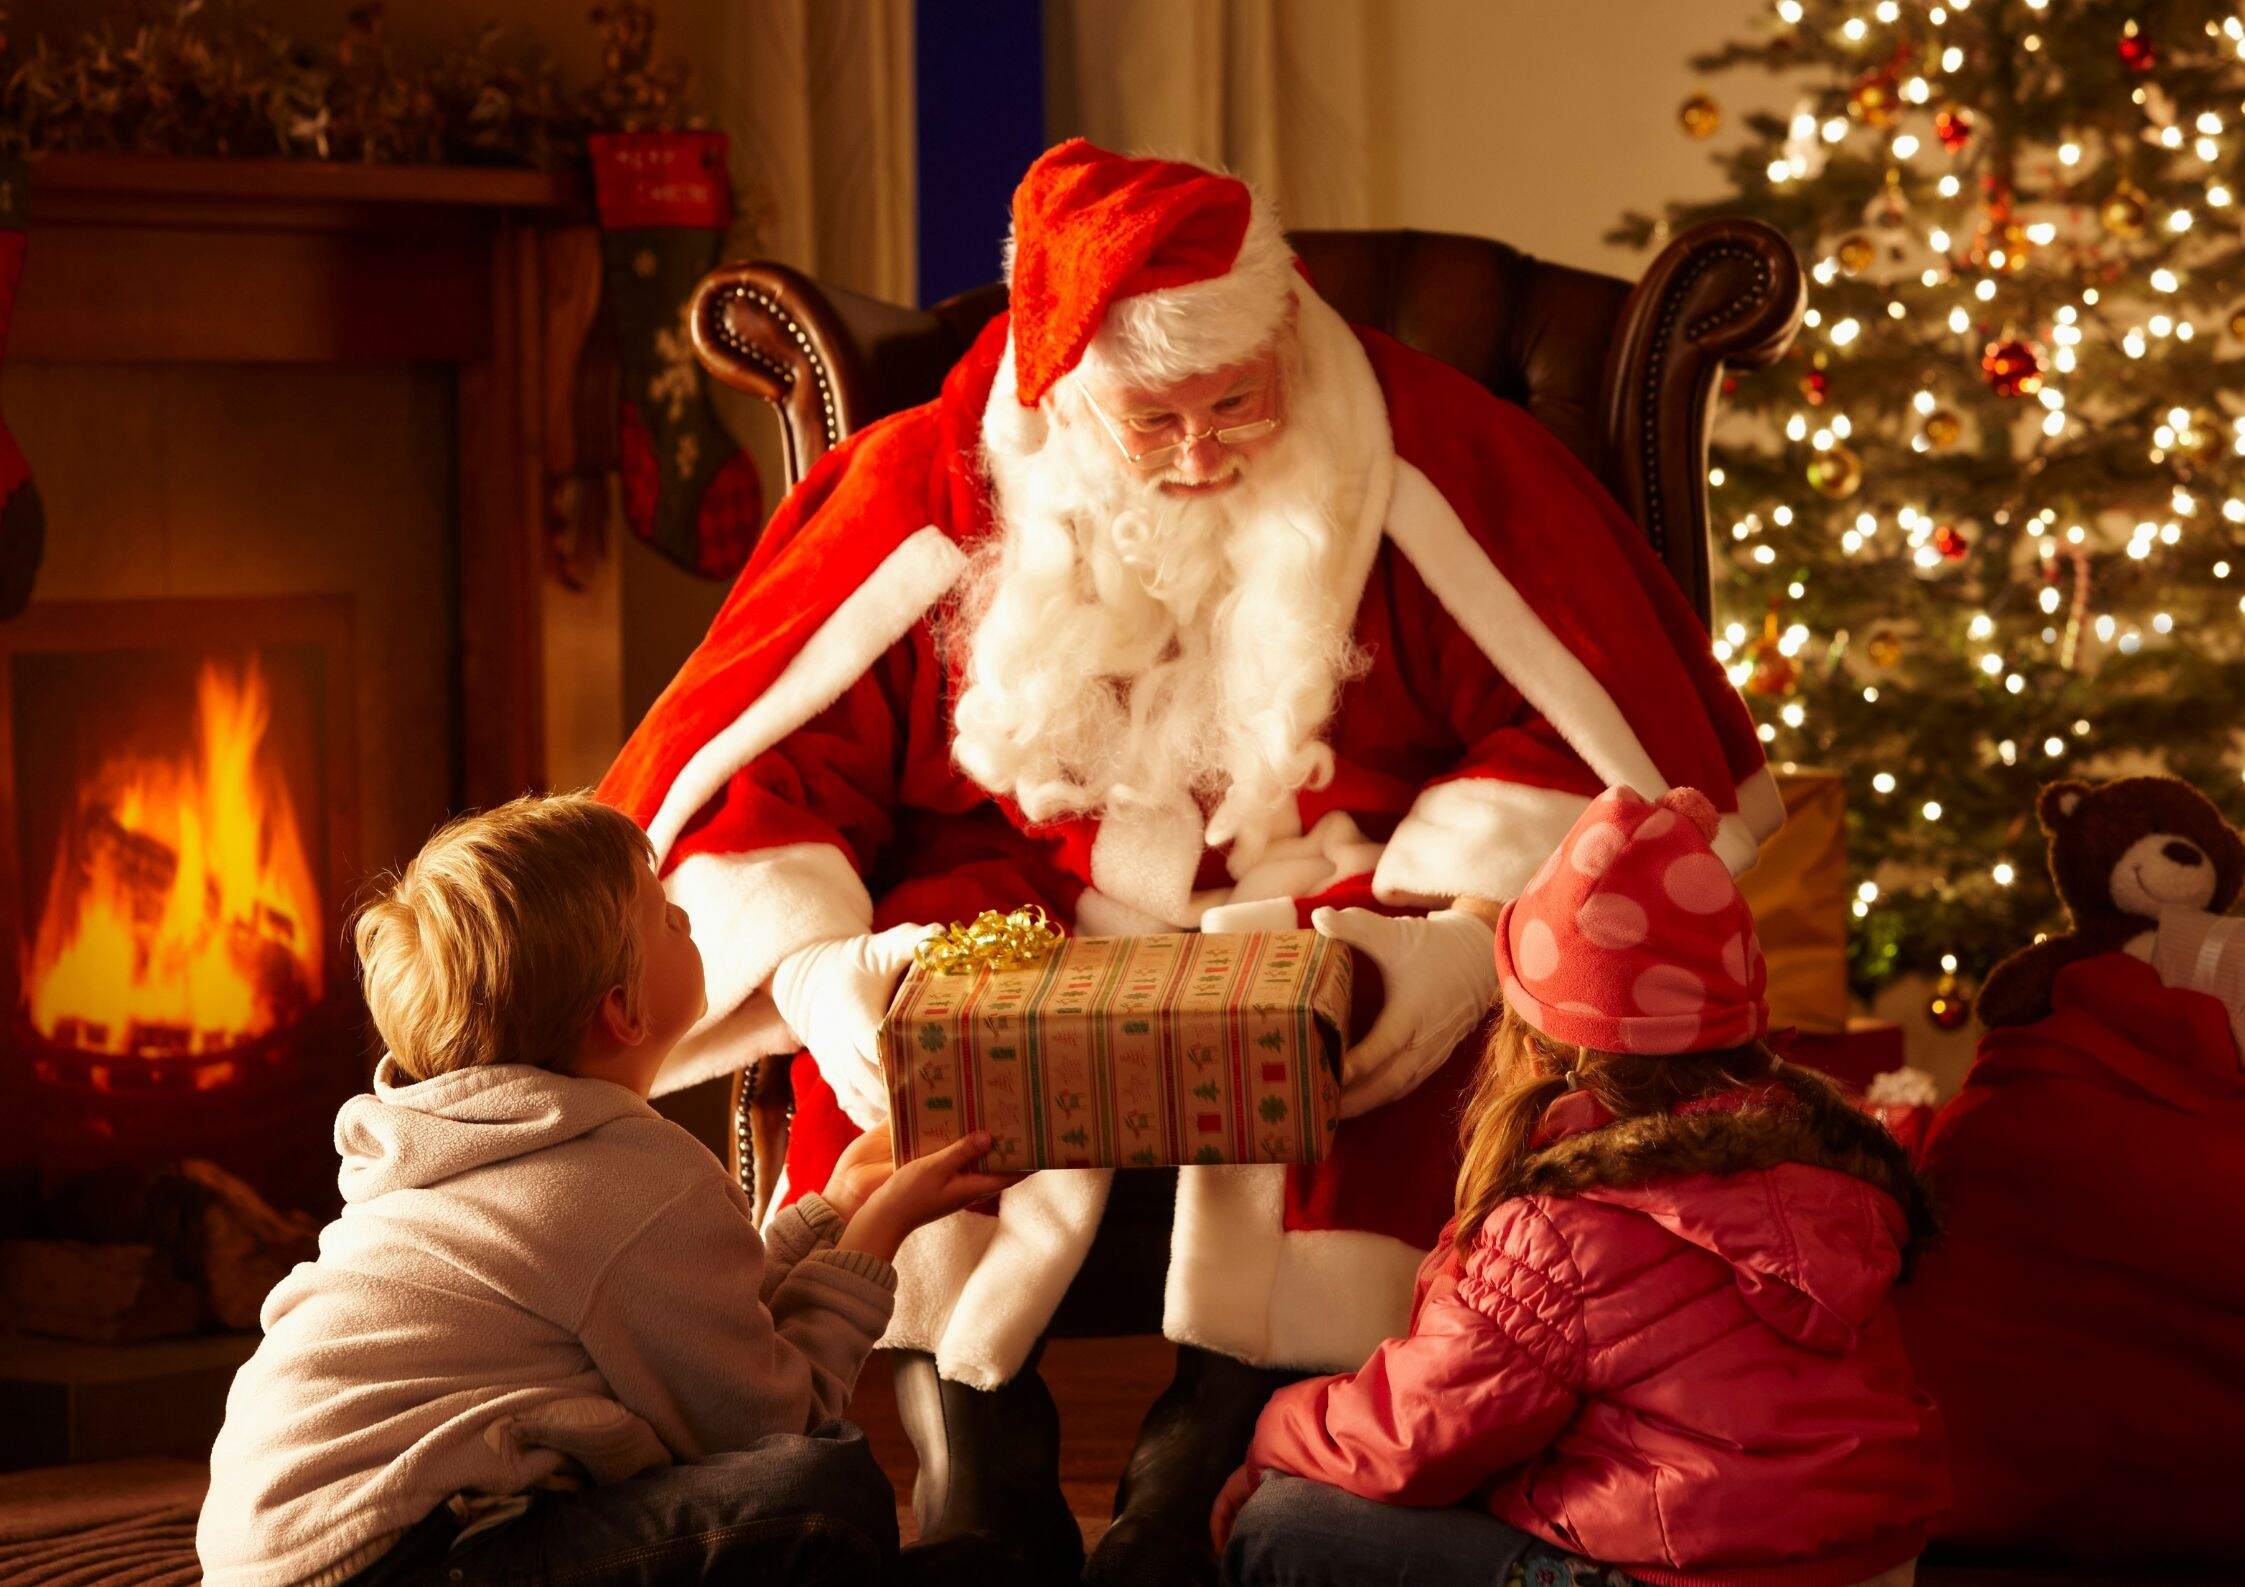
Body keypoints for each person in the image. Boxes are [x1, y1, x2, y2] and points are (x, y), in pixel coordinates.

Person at [600, 140, 1778, 1586]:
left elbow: (1581, 741)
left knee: (1407, 1023)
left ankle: (1207, 1459)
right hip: (1011, 900)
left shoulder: (1423, 457)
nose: (1206, 449)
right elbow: (752, 766)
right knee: (898, 1038)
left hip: (1331, 877)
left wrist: (1427, 924)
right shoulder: (933, 481)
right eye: (1156, 421)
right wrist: (836, 964)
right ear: (1068, 400)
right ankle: (978, 1461)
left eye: (1236, 402)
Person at [195, 793, 1013, 1587]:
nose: (686, 920)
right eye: (662, 914)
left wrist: (832, 1211)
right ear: (621, 1009)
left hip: (282, 1551)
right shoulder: (627, 1180)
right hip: (388, 1560)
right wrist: (880, 1235)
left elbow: (681, 1325)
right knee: (820, 1495)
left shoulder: (472, 1146)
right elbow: (774, 1422)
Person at [1217, 785, 1945, 1587]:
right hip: (1868, 1564)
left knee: (1289, 1524)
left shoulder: (1563, 1228)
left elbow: (1416, 1435)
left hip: (1696, 1574)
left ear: (1541, 1050)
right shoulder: (1835, 1159)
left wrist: (1273, 1429)